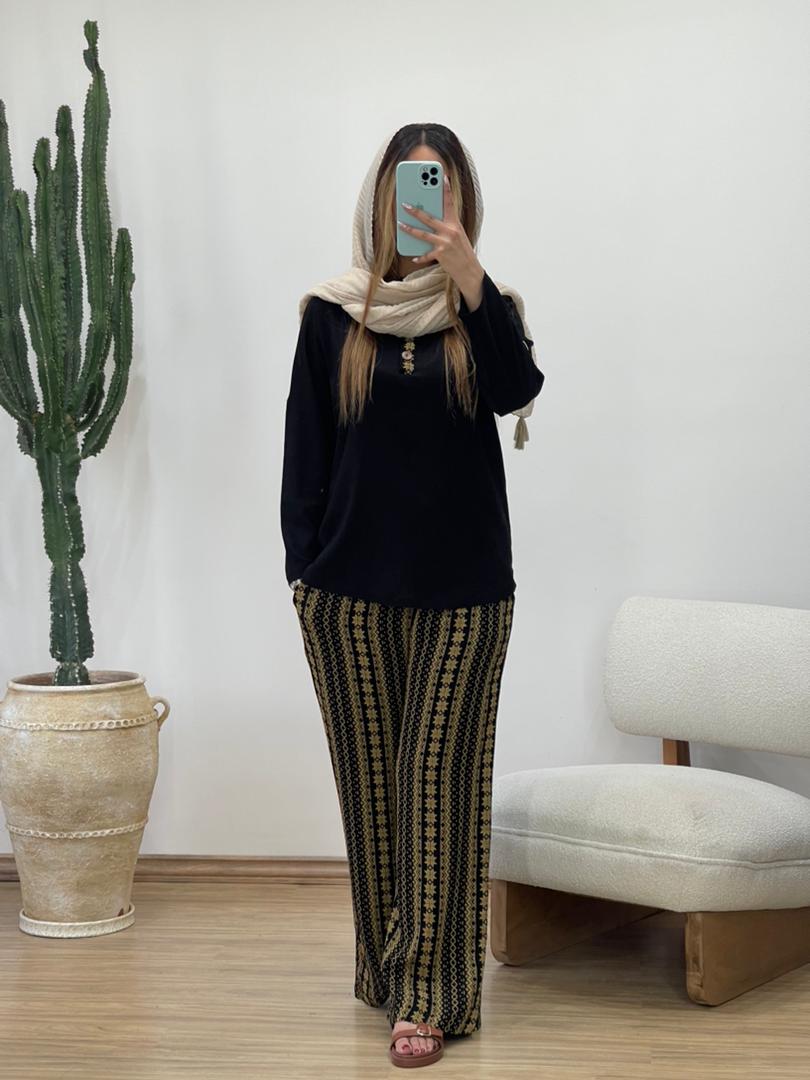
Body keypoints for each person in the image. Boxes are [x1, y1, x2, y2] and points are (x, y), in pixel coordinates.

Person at [280, 123, 545, 1067]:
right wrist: (304, 576)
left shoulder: (488, 312)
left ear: (462, 201)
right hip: (346, 595)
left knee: (437, 781)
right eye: (411, 187)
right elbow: (305, 454)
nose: (428, 203)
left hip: (465, 595)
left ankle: (430, 997)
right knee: (374, 797)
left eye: (443, 187)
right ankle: (389, 973)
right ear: (382, 200)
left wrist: (471, 280)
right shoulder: (331, 315)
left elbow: (516, 391)